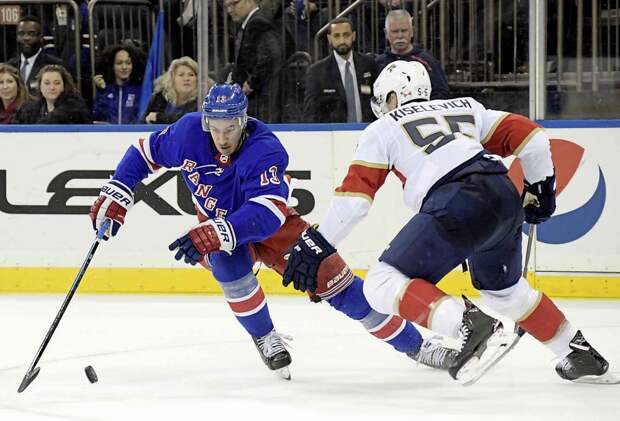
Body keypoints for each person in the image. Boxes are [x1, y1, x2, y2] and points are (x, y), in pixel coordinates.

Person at [88, 83, 500, 380]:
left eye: (230, 127)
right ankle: (265, 337)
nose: (221, 136)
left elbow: (266, 214)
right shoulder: (188, 132)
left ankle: (417, 346)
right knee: (229, 271)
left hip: (272, 228)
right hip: (221, 228)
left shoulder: (265, 147)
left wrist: (213, 233)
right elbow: (143, 153)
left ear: (243, 121)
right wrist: (119, 192)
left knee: (344, 292)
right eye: (215, 126)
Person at [283, 61, 617, 384]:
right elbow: (534, 138)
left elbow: (354, 203)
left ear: (391, 97)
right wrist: (540, 187)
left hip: (455, 202)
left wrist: (318, 243)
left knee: (380, 283)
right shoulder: (466, 107)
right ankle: (575, 350)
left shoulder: (382, 127)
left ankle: (467, 324)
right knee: (504, 290)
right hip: (502, 194)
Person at [303, 17, 378, 123]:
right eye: (337, 36)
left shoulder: (368, 64)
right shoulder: (317, 72)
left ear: (354, 36)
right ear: (329, 39)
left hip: (367, 132)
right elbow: (310, 115)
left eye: (346, 35)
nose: (342, 40)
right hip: (334, 136)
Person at [225, 0, 286, 123]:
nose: (229, 10)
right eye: (227, 6)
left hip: (262, 100)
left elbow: (271, 56)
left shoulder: (257, 23)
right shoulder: (251, 23)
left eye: (234, 4)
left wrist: (251, 83)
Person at [375, 10, 449, 100]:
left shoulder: (427, 61)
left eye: (404, 31)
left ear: (412, 31)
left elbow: (441, 92)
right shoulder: (379, 63)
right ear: (386, 33)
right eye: (395, 31)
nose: (400, 36)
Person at [13, 64, 91, 124]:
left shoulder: (74, 106)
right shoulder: (29, 110)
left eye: (57, 83)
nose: (52, 88)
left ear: (64, 86)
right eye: (47, 83)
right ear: (40, 87)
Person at [8, 16, 65, 94]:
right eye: (21, 34)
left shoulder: (54, 64)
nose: (26, 38)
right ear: (17, 37)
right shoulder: (9, 66)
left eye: (31, 34)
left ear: (41, 38)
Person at [92, 44, 146, 124]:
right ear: (112, 66)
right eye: (119, 63)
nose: (124, 67)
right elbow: (97, 116)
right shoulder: (105, 90)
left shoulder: (140, 90)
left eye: (128, 63)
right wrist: (102, 92)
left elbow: (142, 118)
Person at [141, 56, 200, 124]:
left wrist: (159, 118)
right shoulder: (160, 97)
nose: (186, 79)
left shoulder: (203, 100)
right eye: (181, 75)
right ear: (172, 79)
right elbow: (143, 121)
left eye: (191, 75)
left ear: (198, 79)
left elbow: (188, 122)